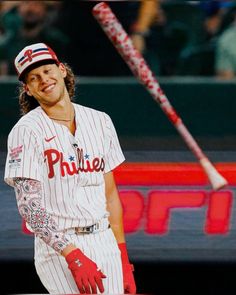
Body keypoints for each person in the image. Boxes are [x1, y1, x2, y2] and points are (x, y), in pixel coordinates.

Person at [4, 42, 136, 294]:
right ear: (28, 90)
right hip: (60, 247)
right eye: (33, 77)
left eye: (47, 70)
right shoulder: (26, 131)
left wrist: (122, 255)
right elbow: (29, 207)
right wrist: (72, 254)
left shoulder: (101, 121)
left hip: (104, 238)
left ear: (62, 70)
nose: (43, 79)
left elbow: (110, 195)